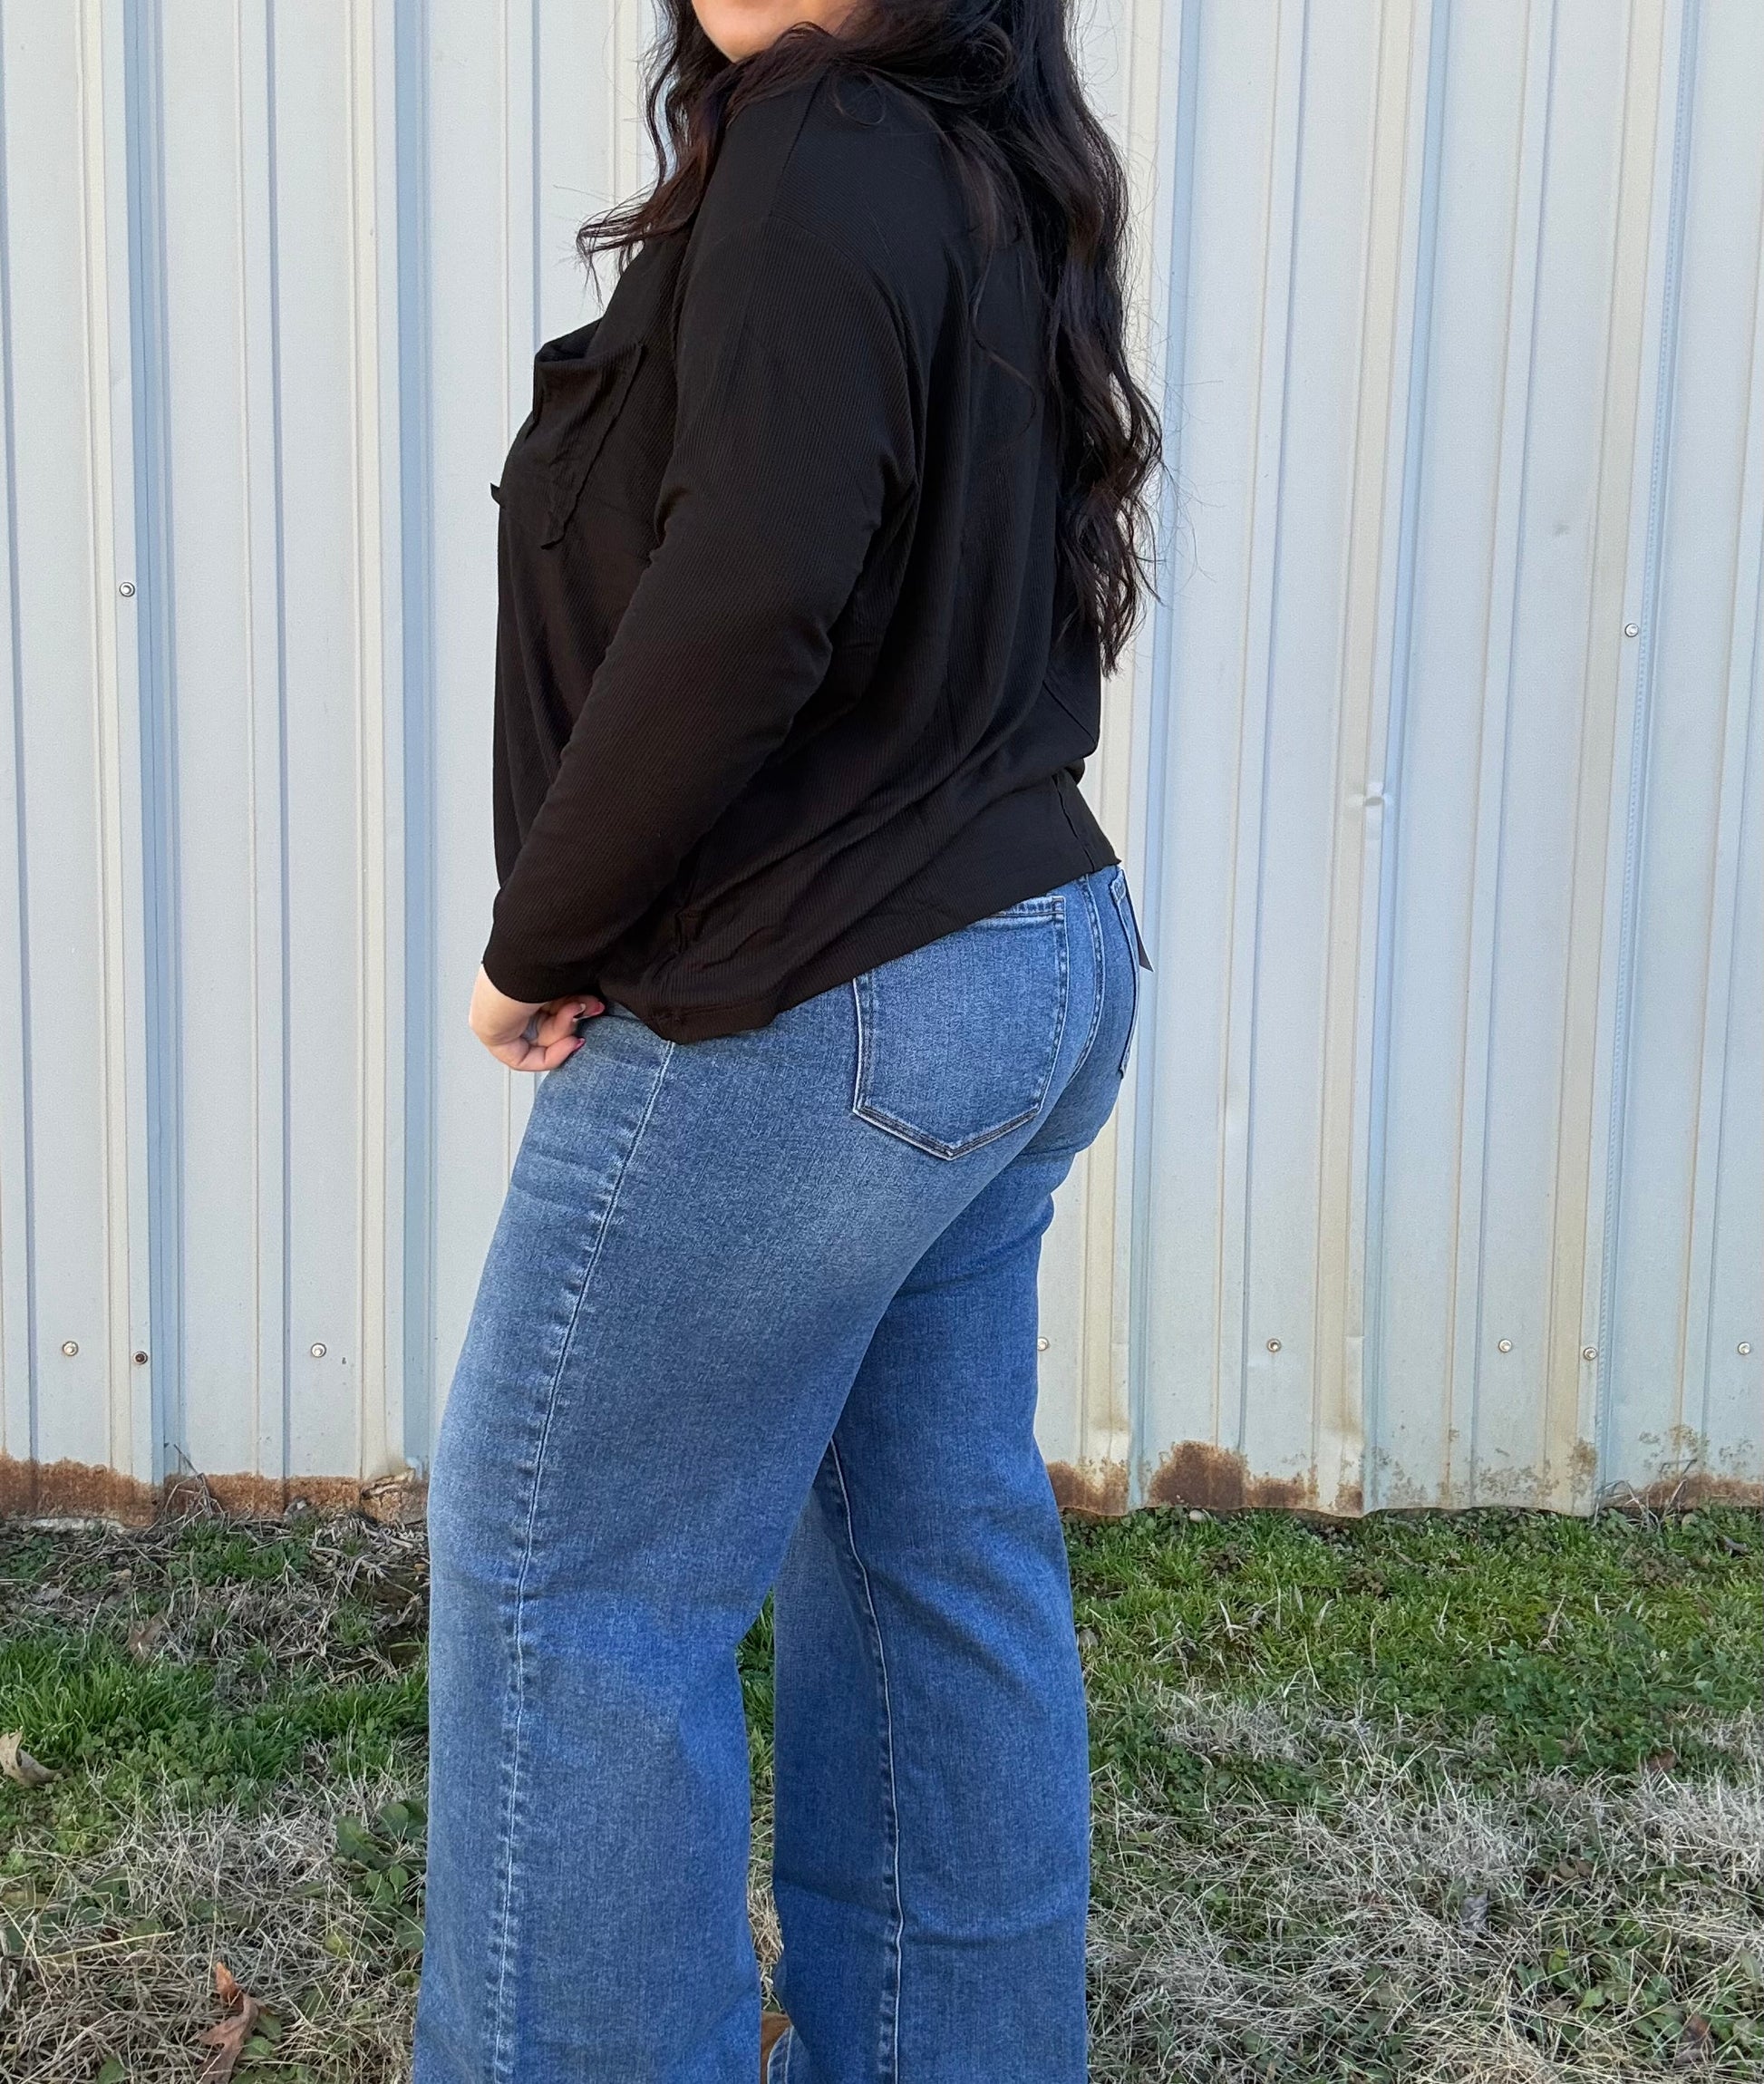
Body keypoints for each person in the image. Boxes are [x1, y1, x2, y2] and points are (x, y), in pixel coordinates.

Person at [413, 0, 1159, 2071]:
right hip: (1019, 958)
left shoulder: (820, 140)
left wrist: (540, 939)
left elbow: (745, 591)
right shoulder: (981, 165)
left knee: (573, 1576)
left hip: (818, 998)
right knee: (929, 1551)